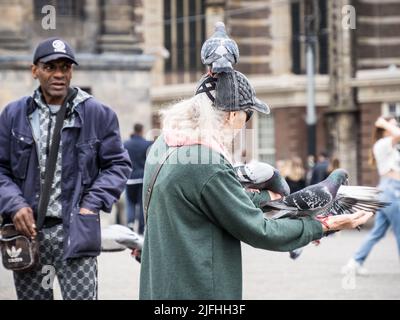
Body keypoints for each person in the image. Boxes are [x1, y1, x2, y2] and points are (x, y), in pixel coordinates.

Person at [138, 70, 373, 299]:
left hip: (158, 285)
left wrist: (268, 199)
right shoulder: (206, 162)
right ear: (231, 114)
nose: (245, 123)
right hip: (197, 288)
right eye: (247, 114)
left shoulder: (162, 145)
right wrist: (323, 225)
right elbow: (259, 230)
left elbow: (210, 198)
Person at [0, 37, 131, 300]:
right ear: (34, 70)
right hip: (28, 233)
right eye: (50, 67)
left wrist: (91, 204)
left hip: (76, 232)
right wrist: (14, 204)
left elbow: (118, 164)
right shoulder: (13, 115)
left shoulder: (98, 114)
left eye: (65, 67)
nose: (59, 74)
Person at [342, 116, 400, 275]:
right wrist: (385, 123)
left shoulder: (390, 146)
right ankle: (354, 262)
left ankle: (354, 262)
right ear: (384, 129)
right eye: (392, 125)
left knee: (378, 232)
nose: (395, 127)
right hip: (392, 191)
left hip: (389, 190)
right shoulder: (382, 144)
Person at [124, 123, 153, 234]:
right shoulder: (146, 144)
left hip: (129, 178)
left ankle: (130, 225)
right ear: (142, 131)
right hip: (142, 178)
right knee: (141, 203)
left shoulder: (126, 144)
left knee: (130, 203)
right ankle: (141, 228)